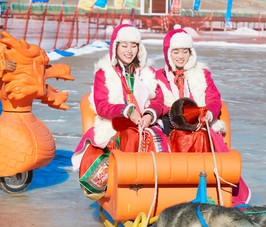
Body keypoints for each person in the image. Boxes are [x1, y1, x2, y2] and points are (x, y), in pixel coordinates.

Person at [71, 24, 168, 200]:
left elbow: (157, 100)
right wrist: (126, 111)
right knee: (130, 136)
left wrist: (149, 114)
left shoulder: (147, 72)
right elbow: (102, 106)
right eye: (124, 45)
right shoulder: (105, 72)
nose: (129, 50)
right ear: (116, 47)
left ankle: (153, 188)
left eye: (133, 45)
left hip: (145, 125)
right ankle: (128, 188)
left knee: (159, 140)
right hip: (114, 125)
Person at [156, 28, 251, 206]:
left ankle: (223, 191)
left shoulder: (202, 74)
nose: (180, 56)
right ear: (168, 53)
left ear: (191, 53)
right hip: (171, 125)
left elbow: (214, 99)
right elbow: (156, 102)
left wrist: (208, 113)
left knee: (205, 138)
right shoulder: (158, 77)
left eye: (185, 51)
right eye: (176, 51)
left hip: (200, 124)